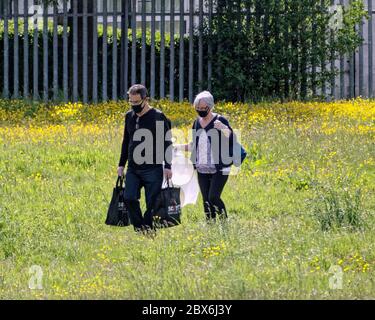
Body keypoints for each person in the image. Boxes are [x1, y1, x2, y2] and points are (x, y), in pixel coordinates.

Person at [117, 84, 173, 234]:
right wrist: (121, 164)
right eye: (131, 102)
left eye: (136, 102)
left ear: (145, 99)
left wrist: (168, 166)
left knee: (152, 203)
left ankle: (148, 230)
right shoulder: (129, 116)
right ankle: (140, 228)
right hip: (133, 168)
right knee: (129, 198)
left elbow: (167, 142)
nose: (133, 105)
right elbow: (126, 141)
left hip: (153, 168)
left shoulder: (158, 116)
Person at [174, 91, 235, 222]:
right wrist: (177, 146)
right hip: (202, 168)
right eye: (198, 109)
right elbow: (193, 145)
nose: (201, 110)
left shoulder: (220, 120)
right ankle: (211, 226)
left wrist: (224, 128)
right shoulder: (196, 123)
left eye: (203, 108)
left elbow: (231, 138)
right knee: (206, 200)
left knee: (213, 197)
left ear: (210, 106)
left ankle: (224, 222)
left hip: (219, 167)